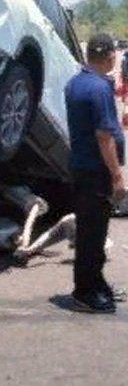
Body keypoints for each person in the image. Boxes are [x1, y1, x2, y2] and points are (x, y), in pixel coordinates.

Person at [64, 33, 128, 312]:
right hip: (95, 171)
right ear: (110, 56)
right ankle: (85, 292)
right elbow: (104, 136)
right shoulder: (99, 88)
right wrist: (117, 176)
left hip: (81, 167)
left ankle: (96, 283)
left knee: (91, 233)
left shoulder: (75, 83)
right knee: (92, 236)